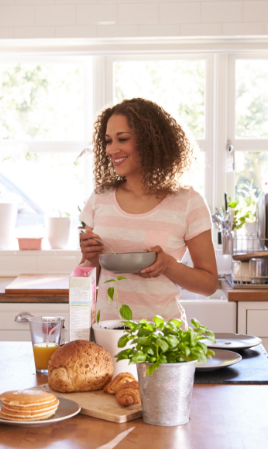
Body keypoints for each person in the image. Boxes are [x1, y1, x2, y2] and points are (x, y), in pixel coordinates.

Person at [79, 98, 218, 323]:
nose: (112, 149)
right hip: (107, 337)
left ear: (150, 141)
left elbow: (209, 285)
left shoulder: (188, 201)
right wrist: (90, 258)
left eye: (122, 139)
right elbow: (88, 279)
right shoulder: (100, 198)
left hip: (162, 340)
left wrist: (169, 265)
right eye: (108, 141)